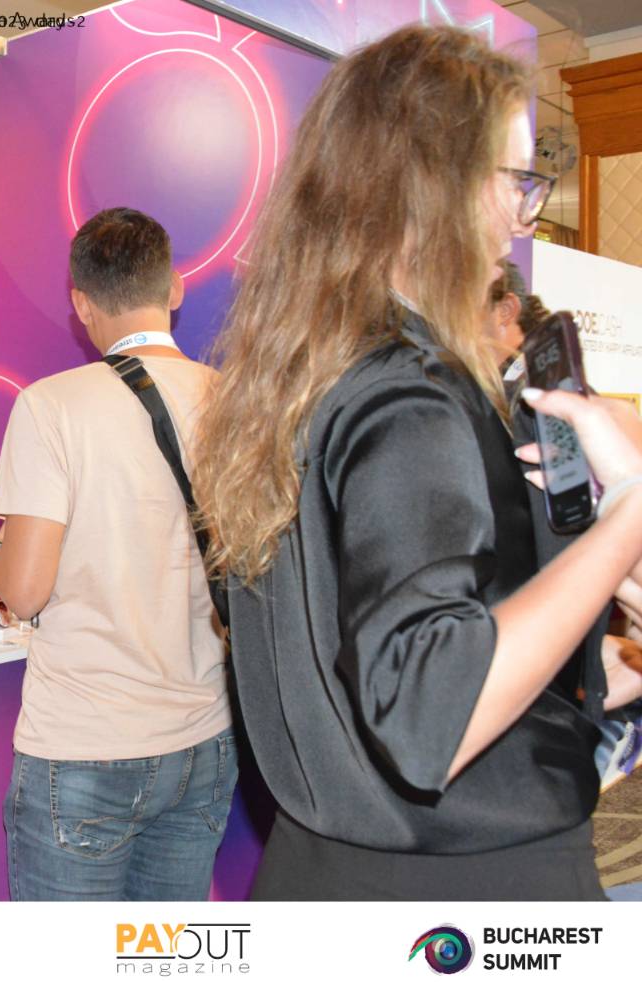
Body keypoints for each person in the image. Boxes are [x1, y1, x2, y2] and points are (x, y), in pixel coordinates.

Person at [192, 25, 642, 900]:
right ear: (437, 184)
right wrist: (627, 516)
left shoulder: (305, 382)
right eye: (515, 179)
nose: (525, 215)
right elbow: (433, 710)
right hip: (460, 894)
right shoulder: (412, 394)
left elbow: (371, 665)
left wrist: (590, 671)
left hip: (323, 872)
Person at [0, 207, 234, 901]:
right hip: (205, 740)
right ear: (174, 288)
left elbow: (24, 591)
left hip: (85, 745)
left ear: (82, 304)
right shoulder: (232, 402)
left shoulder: (51, 406)